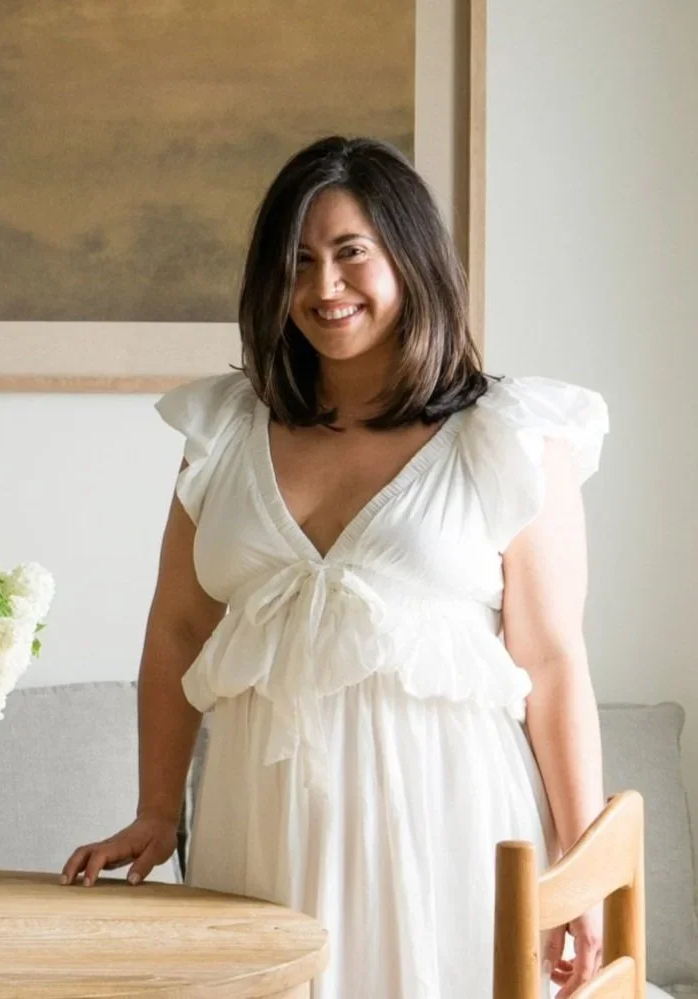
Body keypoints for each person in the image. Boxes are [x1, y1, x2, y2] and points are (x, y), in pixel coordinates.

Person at [62, 136, 609, 999]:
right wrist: (158, 811)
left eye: (351, 253)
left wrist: (582, 871)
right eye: (299, 262)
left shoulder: (505, 435)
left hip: (447, 820)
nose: (324, 288)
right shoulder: (226, 432)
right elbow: (175, 632)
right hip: (260, 823)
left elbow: (551, 662)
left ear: (411, 257)